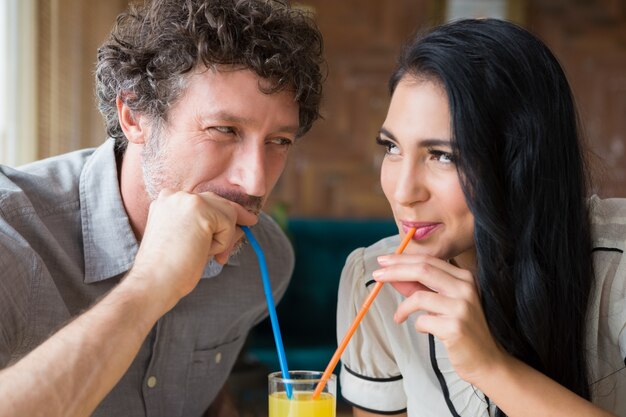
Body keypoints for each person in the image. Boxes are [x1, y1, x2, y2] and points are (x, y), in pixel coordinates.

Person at [0, 0, 324, 416]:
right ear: (134, 114)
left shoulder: (267, 261)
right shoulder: (11, 236)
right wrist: (150, 284)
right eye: (224, 130)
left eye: (279, 141)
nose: (256, 182)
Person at [337, 18, 625, 417]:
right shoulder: (374, 285)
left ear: (519, 160)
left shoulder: (619, 266)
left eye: (442, 156)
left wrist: (490, 368)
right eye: (392, 147)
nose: (403, 192)